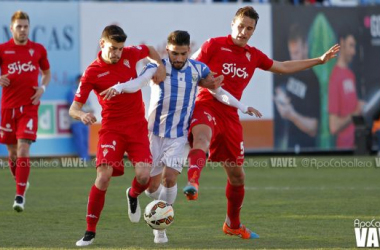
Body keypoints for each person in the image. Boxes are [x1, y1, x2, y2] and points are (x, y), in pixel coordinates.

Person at [183, 6, 339, 239]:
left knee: (238, 177)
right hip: (206, 106)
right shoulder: (213, 45)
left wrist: (319, 60)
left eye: (249, 29)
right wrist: (205, 84)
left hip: (231, 116)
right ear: (232, 24)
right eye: (240, 26)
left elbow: (284, 67)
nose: (243, 32)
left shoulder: (253, 55)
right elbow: (191, 69)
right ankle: (193, 182)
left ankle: (232, 225)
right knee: (202, 139)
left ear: (253, 31)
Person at [101, 30, 261, 244]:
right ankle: (133, 193)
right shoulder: (156, 68)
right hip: (154, 134)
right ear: (167, 50)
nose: (178, 58)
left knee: (170, 179)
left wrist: (242, 106)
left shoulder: (198, 69)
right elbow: (138, 83)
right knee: (150, 186)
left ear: (188, 52)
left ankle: (160, 228)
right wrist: (119, 87)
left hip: (179, 136)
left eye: (183, 54)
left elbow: (217, 90)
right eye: (175, 53)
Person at [69, 24, 166, 247]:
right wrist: (82, 115)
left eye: (120, 49)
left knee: (144, 177)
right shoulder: (92, 72)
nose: (117, 53)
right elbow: (74, 108)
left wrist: (159, 65)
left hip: (136, 127)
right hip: (111, 128)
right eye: (113, 48)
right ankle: (89, 232)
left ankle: (132, 195)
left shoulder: (131, 53)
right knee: (103, 176)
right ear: (102, 44)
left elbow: (150, 49)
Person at [0, 11, 51, 213]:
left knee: (23, 150)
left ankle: (19, 196)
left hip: (29, 107)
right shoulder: (3, 50)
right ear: (11, 28)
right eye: (19, 26)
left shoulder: (37, 50)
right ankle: (20, 181)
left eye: (25, 26)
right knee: (12, 155)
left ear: (29, 28)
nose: (22, 30)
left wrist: (42, 88)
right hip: (7, 109)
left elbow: (46, 73)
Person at [274, 23, 320, 150]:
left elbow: (313, 128)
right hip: (289, 144)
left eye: (297, 52)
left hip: (307, 149)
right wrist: (280, 97)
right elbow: (280, 90)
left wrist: (291, 115)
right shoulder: (289, 71)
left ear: (306, 47)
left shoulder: (313, 80)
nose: (293, 57)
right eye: (291, 53)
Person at [328, 30, 364, 149]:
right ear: (342, 43)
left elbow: (354, 108)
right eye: (351, 46)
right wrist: (355, 113)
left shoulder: (350, 75)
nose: (353, 52)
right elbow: (334, 126)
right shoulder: (334, 77)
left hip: (358, 144)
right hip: (345, 150)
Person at [67, 75, 92, 161]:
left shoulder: (86, 91)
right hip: (76, 119)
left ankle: (87, 158)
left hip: (86, 119)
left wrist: (90, 112)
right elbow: (73, 106)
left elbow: (88, 105)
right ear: (77, 81)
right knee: (80, 140)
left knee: (85, 140)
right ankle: (83, 158)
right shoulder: (72, 92)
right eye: (80, 80)